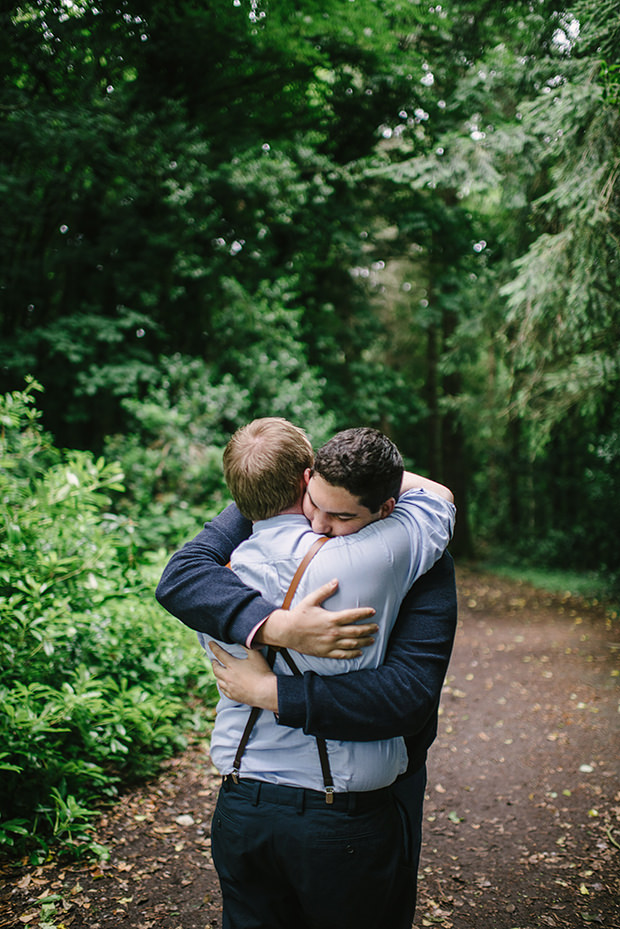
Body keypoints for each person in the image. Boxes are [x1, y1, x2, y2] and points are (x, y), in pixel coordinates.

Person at [157, 419, 456, 929]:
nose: (320, 524)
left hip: (240, 805)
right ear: (306, 477)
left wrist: (271, 691)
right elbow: (438, 498)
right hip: (341, 814)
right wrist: (281, 627)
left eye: (339, 513)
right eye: (316, 503)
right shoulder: (385, 554)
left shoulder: (222, 569)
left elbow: (178, 577)